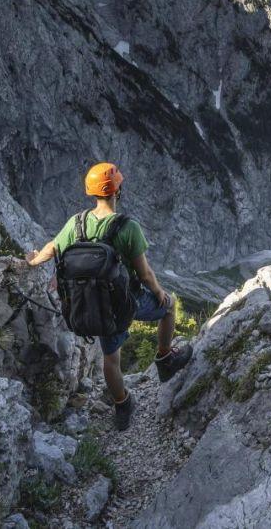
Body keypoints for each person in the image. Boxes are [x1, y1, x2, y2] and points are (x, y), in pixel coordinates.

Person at [24, 162, 192, 430]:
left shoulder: (76, 223)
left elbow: (52, 248)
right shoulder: (127, 227)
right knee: (169, 307)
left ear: (91, 193)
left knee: (111, 360)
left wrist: (32, 261)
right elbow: (145, 273)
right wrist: (159, 293)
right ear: (118, 190)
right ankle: (165, 358)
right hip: (127, 301)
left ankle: (122, 404)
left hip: (96, 305)